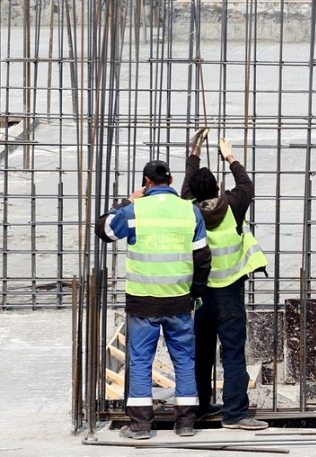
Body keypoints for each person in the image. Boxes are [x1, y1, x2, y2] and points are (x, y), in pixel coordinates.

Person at [95, 160, 211, 440]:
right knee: (184, 360)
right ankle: (185, 423)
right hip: (178, 300)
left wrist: (125, 201)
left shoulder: (135, 210)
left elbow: (104, 229)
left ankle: (141, 425)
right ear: (170, 179)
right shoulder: (190, 211)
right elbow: (202, 258)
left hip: (143, 302)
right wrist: (195, 292)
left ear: (146, 182)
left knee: (140, 361)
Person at [181, 129, 269, 431]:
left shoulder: (187, 211)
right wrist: (229, 155)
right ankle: (235, 414)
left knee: (201, 353)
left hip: (201, 295)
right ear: (218, 186)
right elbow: (246, 183)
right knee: (232, 353)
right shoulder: (232, 205)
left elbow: (187, 186)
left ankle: (201, 406)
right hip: (229, 292)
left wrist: (194, 153)